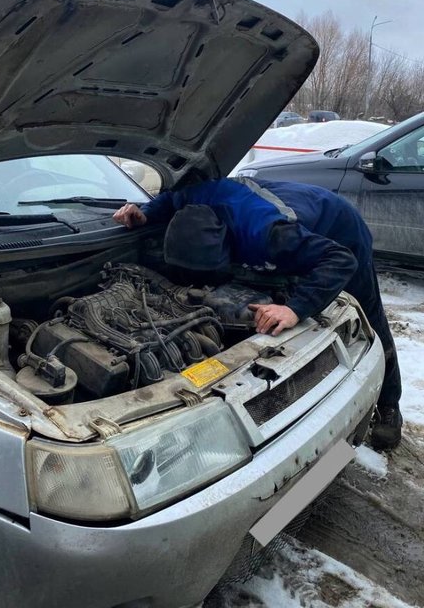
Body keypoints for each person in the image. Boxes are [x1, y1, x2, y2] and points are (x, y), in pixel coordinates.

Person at [113, 176, 402, 450]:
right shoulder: (188, 199)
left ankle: (389, 406)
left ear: (228, 249)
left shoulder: (268, 234)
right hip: (276, 224)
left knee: (369, 316)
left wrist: (294, 308)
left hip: (337, 231)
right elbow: (168, 199)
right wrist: (145, 213)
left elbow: (340, 259)